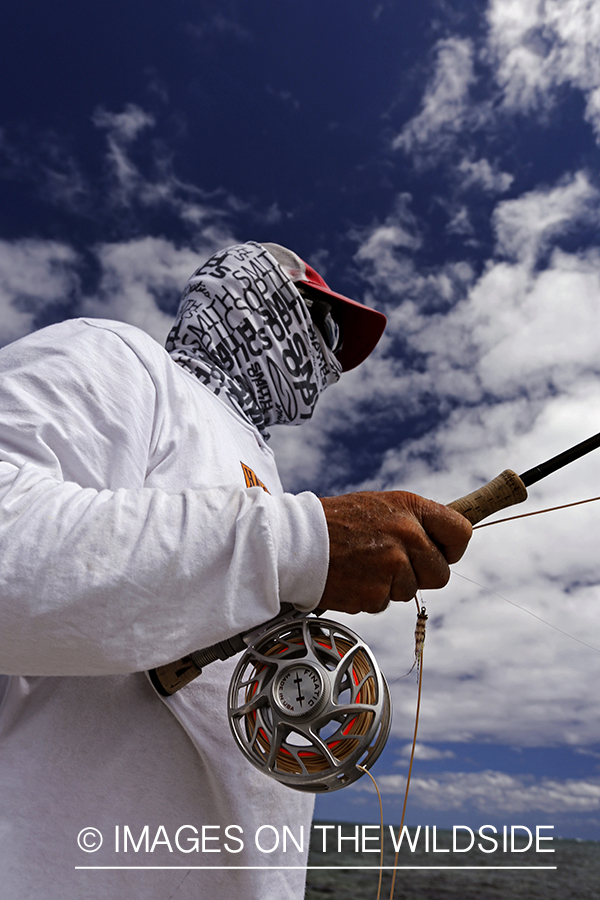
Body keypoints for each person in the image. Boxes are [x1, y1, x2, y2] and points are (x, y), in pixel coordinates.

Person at [0, 241, 471, 899]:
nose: (329, 360)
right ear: (251, 297)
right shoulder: (122, 361)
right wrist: (301, 543)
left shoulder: (266, 477)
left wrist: (290, 545)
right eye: (320, 325)